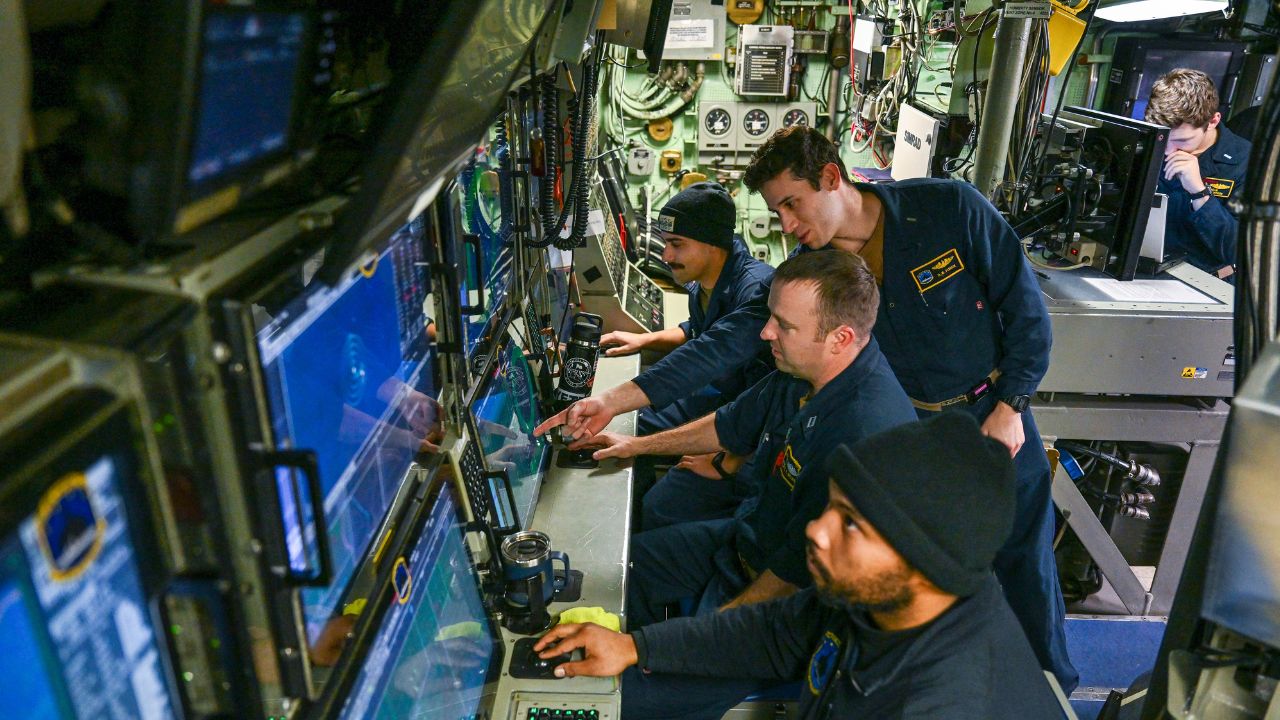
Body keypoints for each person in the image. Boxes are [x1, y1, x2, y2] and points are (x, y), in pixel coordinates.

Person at [740, 125, 1078, 693]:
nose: (788, 226)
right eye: (778, 214)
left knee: (1023, 561)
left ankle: (1054, 688)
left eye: (791, 205)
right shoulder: (816, 270)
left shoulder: (947, 209)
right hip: (909, 434)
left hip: (992, 415)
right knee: (919, 575)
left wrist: (1013, 404)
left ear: (830, 177)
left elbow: (1026, 311)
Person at [533, 413, 1066, 720]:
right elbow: (778, 629)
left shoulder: (946, 704)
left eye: (851, 524)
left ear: (924, 563)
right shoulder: (880, 597)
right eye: (831, 507)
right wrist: (637, 647)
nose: (816, 529)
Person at [537, 182, 774, 527]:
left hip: (743, 424)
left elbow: (755, 391)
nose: (666, 257)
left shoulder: (753, 290)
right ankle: (636, 494)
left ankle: (645, 526)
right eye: (666, 244)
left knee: (662, 506)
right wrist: (643, 340)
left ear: (713, 244)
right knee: (634, 422)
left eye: (677, 245)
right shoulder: (705, 281)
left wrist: (731, 458)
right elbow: (698, 330)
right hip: (717, 395)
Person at [1146, 68, 1251, 280]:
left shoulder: (1248, 163)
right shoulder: (1147, 141)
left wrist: (1200, 193)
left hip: (1204, 280)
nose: (1168, 151)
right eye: (1163, 138)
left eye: (1182, 141)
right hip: (1141, 267)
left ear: (1212, 121)